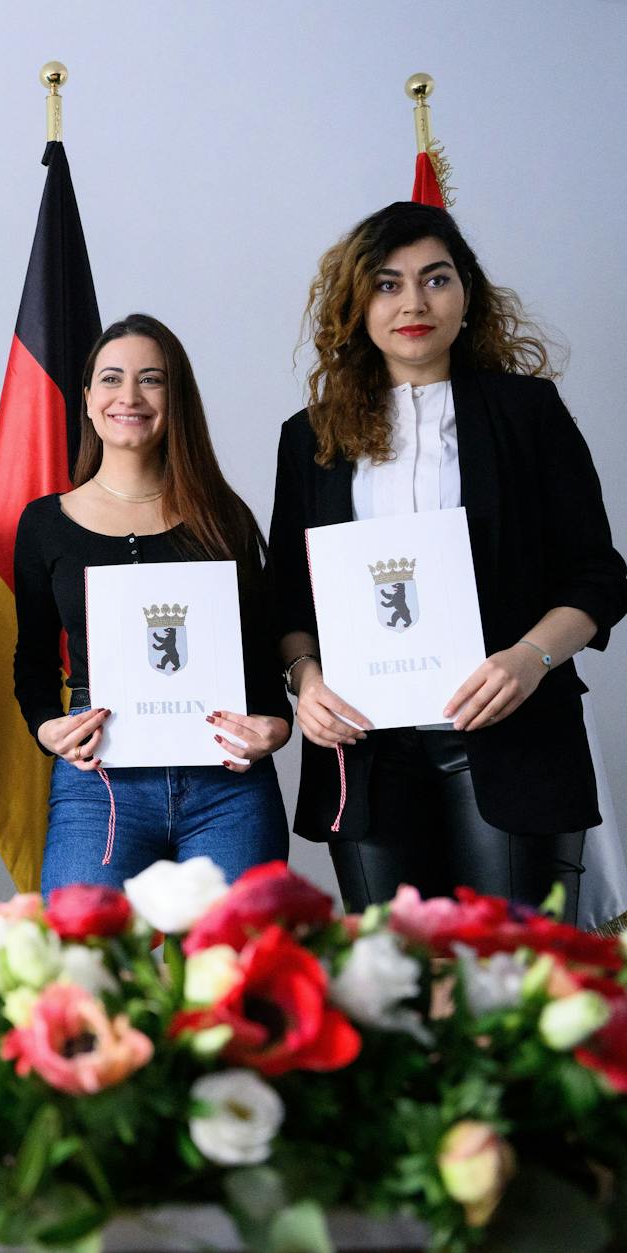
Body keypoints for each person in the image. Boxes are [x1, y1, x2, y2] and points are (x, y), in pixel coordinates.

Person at [270, 201, 627, 913]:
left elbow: (599, 575)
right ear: (356, 305)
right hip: (366, 754)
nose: (414, 303)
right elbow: (287, 597)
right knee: (393, 972)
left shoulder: (529, 412)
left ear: (467, 293)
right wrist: (305, 681)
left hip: (512, 739)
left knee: (512, 970)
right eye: (387, 284)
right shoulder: (309, 437)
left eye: (436, 279)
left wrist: (529, 659)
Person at [13, 314, 291, 891]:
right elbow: (32, 658)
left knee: (238, 949)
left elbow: (260, 649)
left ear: (176, 398)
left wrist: (278, 724)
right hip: (100, 781)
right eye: (111, 379)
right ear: (88, 399)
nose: (130, 396)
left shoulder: (224, 518)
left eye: (152, 379)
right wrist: (45, 728)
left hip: (227, 784)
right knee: (84, 945)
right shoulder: (45, 524)